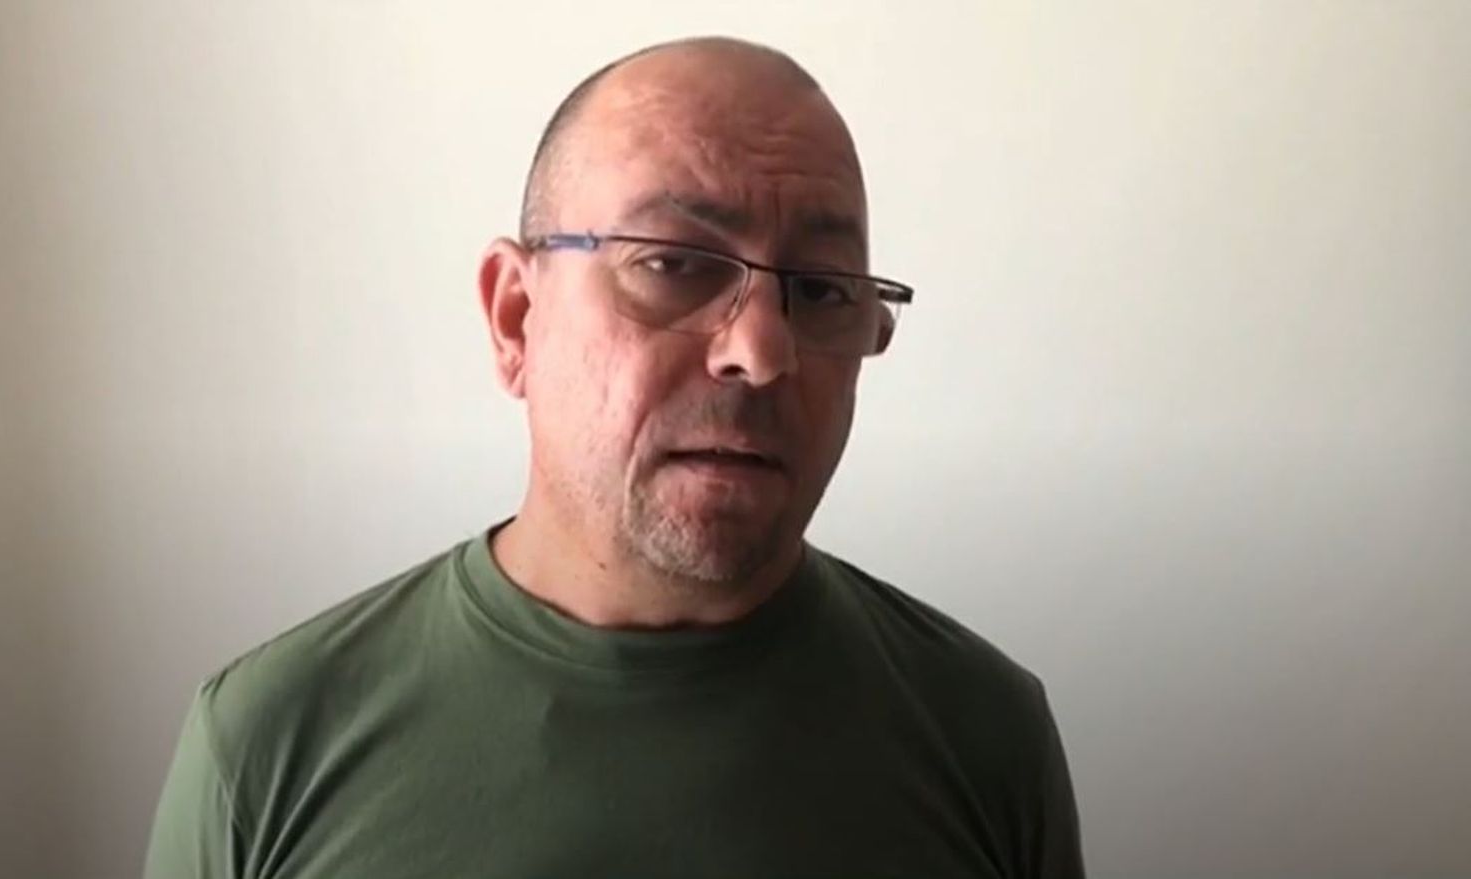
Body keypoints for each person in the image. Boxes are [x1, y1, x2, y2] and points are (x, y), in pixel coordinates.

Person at [144, 36, 1084, 878]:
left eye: (823, 290)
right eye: (673, 263)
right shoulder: (266, 747)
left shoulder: (985, 737)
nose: (761, 351)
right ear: (516, 317)